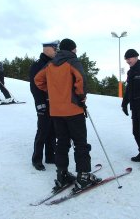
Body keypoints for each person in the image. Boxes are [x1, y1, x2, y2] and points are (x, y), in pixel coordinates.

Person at [35, 38, 101, 191]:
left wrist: (53, 92)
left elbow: (38, 80)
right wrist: (81, 96)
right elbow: (81, 80)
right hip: (73, 109)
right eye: (75, 48)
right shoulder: (72, 61)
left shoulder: (50, 64)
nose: (76, 51)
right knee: (80, 143)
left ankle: (62, 174)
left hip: (56, 111)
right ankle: (83, 175)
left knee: (62, 142)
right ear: (72, 49)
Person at [29, 40, 59, 171]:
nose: (56, 51)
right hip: (43, 103)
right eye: (54, 48)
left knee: (53, 130)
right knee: (42, 131)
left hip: (54, 103)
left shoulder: (54, 63)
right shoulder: (37, 65)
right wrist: (40, 104)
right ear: (47, 49)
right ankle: (36, 159)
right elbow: (34, 87)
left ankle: (50, 156)